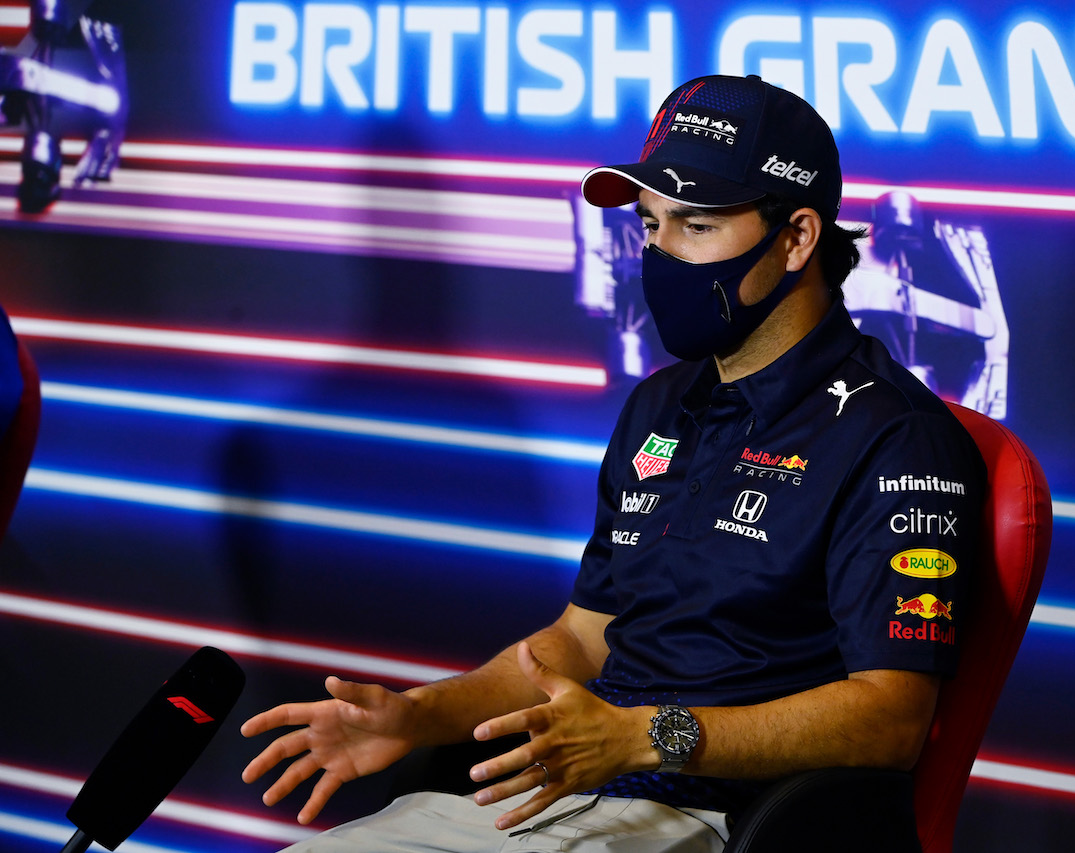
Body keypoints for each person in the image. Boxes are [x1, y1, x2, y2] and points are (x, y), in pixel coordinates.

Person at [240, 74, 986, 852]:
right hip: (559, 792)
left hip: (725, 823)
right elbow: (583, 639)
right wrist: (418, 715)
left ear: (797, 237)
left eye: (694, 226)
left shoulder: (894, 435)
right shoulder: (658, 406)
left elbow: (891, 718)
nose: (659, 255)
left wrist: (646, 737)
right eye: (651, 225)